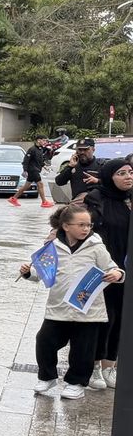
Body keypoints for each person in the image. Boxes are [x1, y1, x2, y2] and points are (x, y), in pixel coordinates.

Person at [22, 202, 123, 400]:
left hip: (88, 310)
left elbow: (114, 268)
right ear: (66, 226)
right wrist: (28, 272)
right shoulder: (53, 246)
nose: (86, 229)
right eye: (81, 225)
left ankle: (76, 382)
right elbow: (41, 273)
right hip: (58, 307)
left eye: (88, 225)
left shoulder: (96, 247)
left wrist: (116, 274)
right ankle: (47, 377)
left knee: (83, 350)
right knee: (44, 340)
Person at [85, 157, 133, 388]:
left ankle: (110, 366)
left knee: (121, 321)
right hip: (101, 271)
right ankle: (94, 368)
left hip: (125, 271)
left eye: (130, 173)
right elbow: (82, 228)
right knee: (104, 319)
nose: (128, 177)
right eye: (121, 173)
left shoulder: (130, 200)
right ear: (109, 176)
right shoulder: (95, 199)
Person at [14, 136, 54, 208]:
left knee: (27, 186)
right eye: (44, 140)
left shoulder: (40, 149)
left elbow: (39, 160)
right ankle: (44, 202)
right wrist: (25, 170)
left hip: (36, 169)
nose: (45, 142)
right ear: (38, 140)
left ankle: (13, 198)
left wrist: (44, 166)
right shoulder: (32, 149)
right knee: (40, 184)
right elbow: (26, 161)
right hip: (32, 170)